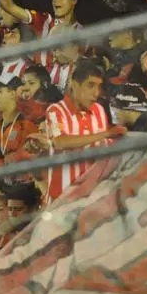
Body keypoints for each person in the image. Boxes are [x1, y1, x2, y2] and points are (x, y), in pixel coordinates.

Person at [44, 61, 127, 202]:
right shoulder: (54, 111)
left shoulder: (99, 110)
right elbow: (59, 142)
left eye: (99, 87)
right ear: (74, 84)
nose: (96, 93)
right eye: (90, 85)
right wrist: (106, 134)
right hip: (62, 198)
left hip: (91, 199)